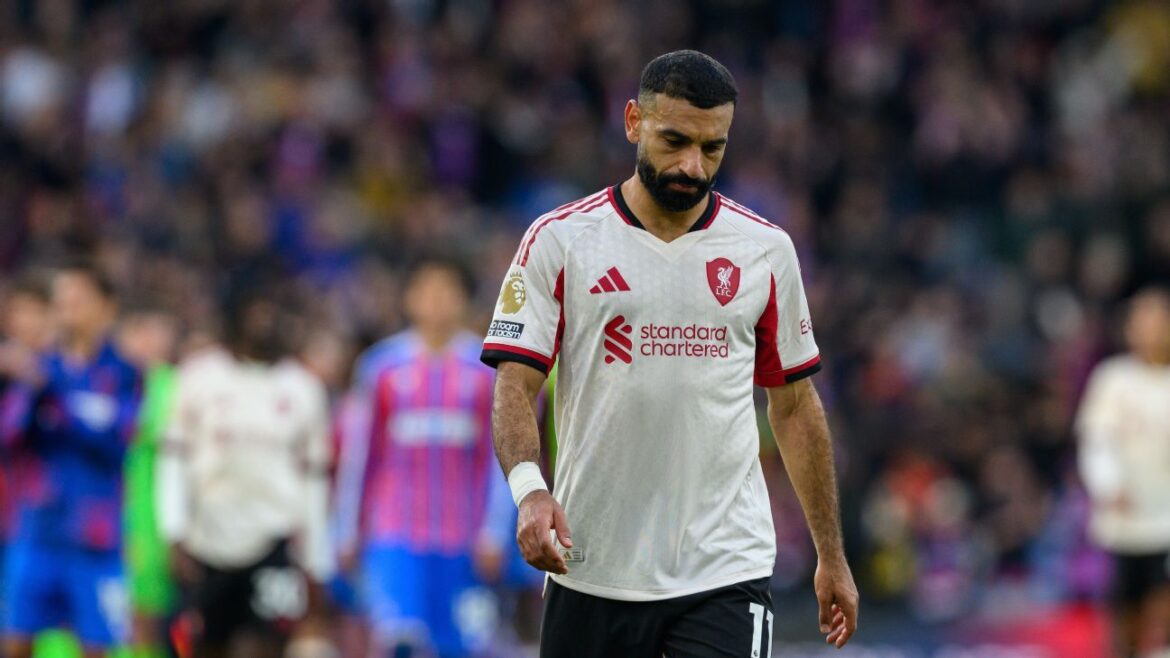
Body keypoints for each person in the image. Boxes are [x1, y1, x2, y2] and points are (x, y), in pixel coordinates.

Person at [481, 50, 859, 657]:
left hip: (724, 569)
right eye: (675, 141)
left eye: (712, 148)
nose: (692, 165)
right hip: (591, 565)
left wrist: (830, 554)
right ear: (634, 122)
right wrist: (530, 491)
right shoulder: (561, 241)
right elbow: (514, 384)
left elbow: (793, 406)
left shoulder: (764, 250)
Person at [334, 256, 514, 657]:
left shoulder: (487, 369)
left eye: (447, 290)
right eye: (426, 289)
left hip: (464, 538)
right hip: (393, 536)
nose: (436, 299)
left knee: (460, 646)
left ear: (464, 299)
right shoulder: (379, 368)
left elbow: (499, 458)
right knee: (399, 643)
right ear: (409, 298)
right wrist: (346, 530)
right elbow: (358, 458)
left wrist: (494, 532)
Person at [157, 285, 333, 658]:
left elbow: (314, 481)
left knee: (267, 645)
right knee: (206, 645)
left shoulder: (303, 388)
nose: (265, 322)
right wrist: (174, 532)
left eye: (273, 311)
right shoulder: (199, 377)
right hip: (207, 540)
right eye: (256, 311)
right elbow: (173, 461)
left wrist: (315, 561)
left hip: (273, 539)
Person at [0, 264, 143, 658]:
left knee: (96, 648)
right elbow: (8, 436)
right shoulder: (36, 368)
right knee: (14, 643)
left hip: (96, 537)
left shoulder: (124, 375)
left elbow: (115, 443)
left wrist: (54, 397)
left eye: (77, 299)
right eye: (61, 300)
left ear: (106, 307)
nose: (67, 308)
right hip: (37, 529)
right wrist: (24, 390)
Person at [1076, 286, 1170, 657]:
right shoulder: (1113, 380)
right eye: (1143, 322)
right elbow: (1096, 442)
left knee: (1162, 611)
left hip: (1168, 520)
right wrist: (1108, 485)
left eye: (1159, 321)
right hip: (1126, 521)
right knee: (1126, 617)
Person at [118, 305, 183, 658]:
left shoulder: (175, 387)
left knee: (148, 613)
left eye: (161, 333)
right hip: (103, 514)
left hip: (152, 518)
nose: (153, 342)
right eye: (144, 332)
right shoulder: (111, 380)